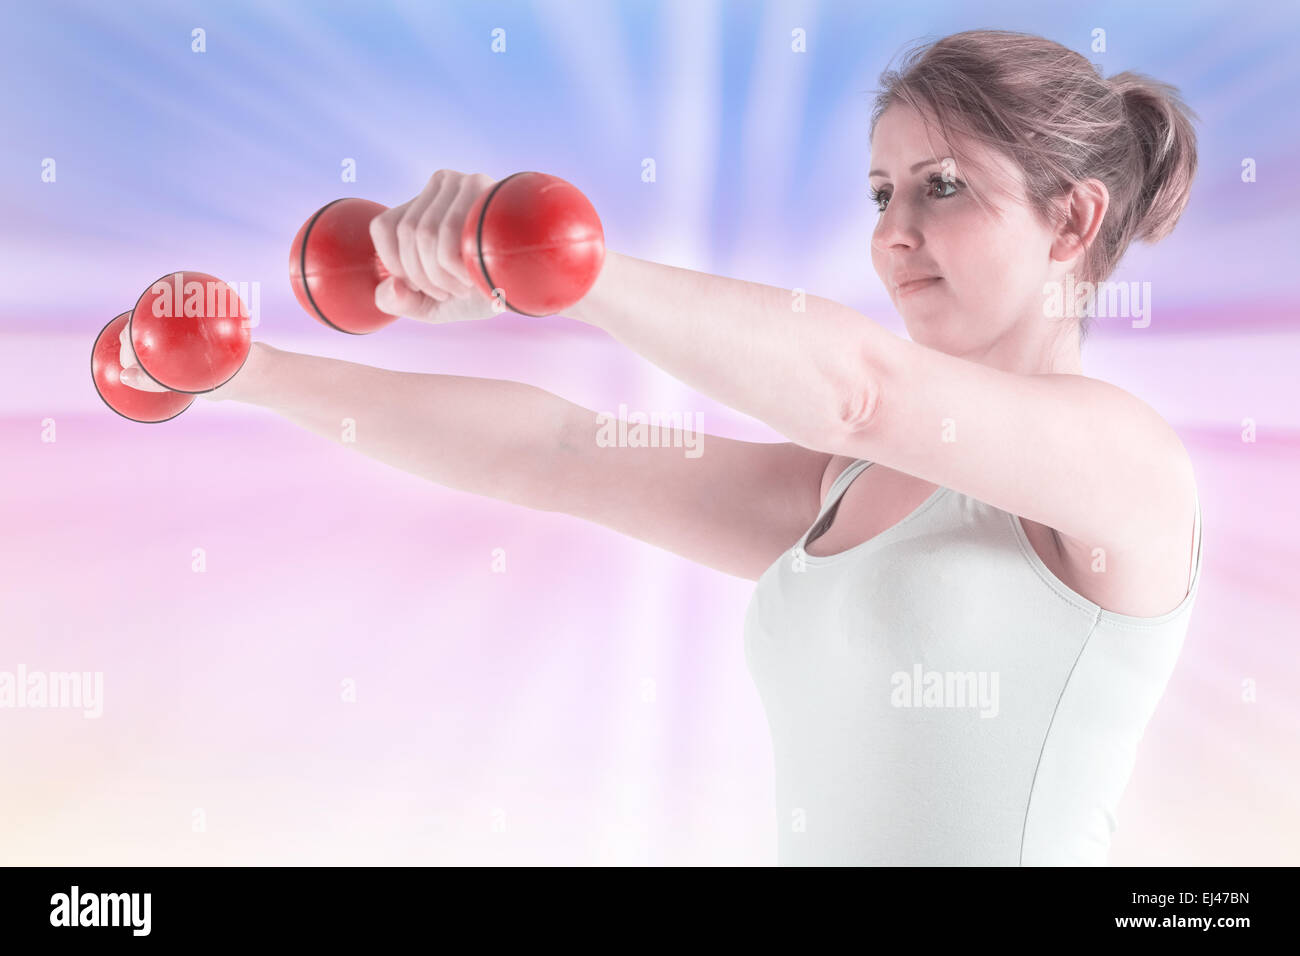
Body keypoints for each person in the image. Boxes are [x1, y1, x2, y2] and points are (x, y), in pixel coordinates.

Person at [122, 28, 1203, 866]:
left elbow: (860, 390)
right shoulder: (852, 488)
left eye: (943, 186)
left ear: (1069, 224)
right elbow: (557, 450)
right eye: (880, 191)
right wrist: (242, 371)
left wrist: (561, 265)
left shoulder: (1122, 464)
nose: (892, 232)